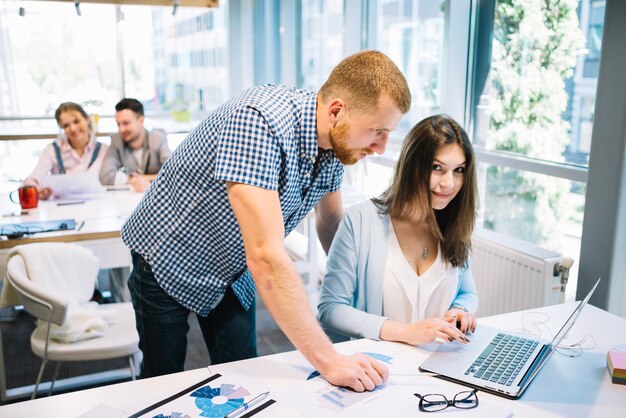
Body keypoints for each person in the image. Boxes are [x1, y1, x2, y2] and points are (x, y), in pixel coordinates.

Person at [121, 50, 411, 391]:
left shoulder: (337, 144)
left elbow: (331, 223)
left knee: (244, 375)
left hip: (231, 266)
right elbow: (266, 256)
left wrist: (366, 293)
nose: (380, 147)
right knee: (162, 381)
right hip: (169, 255)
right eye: (376, 131)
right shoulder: (259, 121)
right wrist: (330, 361)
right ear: (336, 111)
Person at [318, 114, 479, 347]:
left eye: (459, 170)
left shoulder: (455, 223)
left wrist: (460, 311)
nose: (449, 183)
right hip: (382, 367)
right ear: (412, 166)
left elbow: (468, 293)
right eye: (437, 168)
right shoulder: (361, 220)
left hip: (441, 363)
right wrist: (406, 332)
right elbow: (331, 309)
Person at [24, 102, 107, 200]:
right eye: (66, 125)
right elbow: (32, 179)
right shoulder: (52, 150)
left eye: (76, 121)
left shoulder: (103, 149)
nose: (73, 128)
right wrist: (37, 189)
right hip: (61, 208)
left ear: (87, 119)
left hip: (95, 206)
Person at [99, 98, 171, 192]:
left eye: (126, 123)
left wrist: (143, 178)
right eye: (118, 124)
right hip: (129, 199)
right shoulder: (116, 141)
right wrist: (133, 181)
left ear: (141, 121)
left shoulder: (158, 139)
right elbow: (105, 176)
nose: (121, 129)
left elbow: (172, 173)